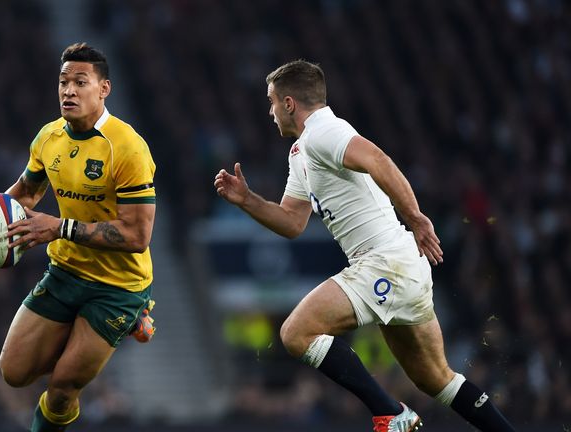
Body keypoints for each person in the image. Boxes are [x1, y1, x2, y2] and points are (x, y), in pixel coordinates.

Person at [214, 60, 515, 432]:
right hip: (399, 265)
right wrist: (247, 201)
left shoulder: (325, 130)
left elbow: (378, 160)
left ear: (289, 103)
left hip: (384, 262)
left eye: (272, 101)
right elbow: (292, 221)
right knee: (436, 380)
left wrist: (416, 217)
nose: (270, 110)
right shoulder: (300, 152)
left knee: (296, 333)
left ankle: (391, 413)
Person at [0, 42, 156, 432]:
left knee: (62, 387)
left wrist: (58, 227)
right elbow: (24, 193)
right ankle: (97, 331)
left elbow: (138, 235)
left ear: (103, 89)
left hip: (117, 287)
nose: (68, 90)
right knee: (13, 372)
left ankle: (125, 319)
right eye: (63, 82)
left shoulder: (127, 148)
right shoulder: (49, 137)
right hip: (66, 272)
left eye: (80, 82)